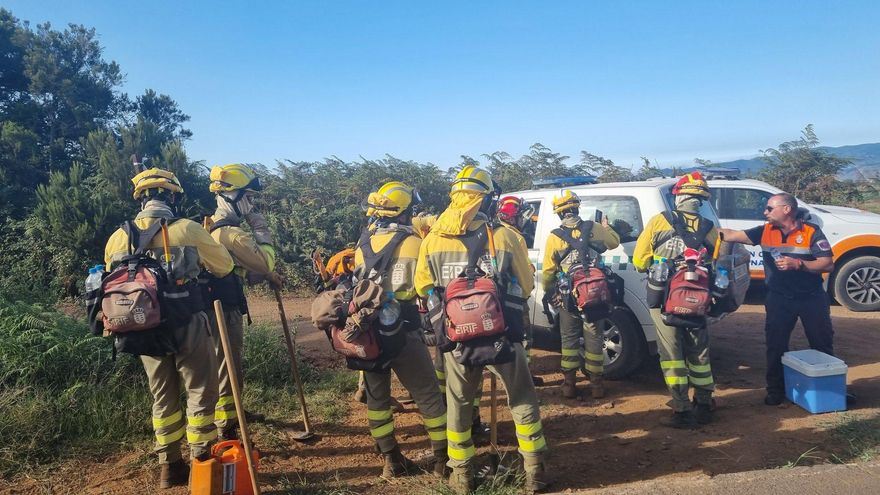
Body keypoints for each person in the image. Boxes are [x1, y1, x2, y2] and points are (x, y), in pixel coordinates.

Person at [415, 166, 549, 494]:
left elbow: (422, 287)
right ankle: (534, 471)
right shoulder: (504, 236)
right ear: (485, 199)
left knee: (459, 404)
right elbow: (527, 284)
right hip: (503, 335)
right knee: (521, 397)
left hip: (457, 339)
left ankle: (462, 475)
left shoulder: (431, 239)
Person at [104, 167, 234, 489]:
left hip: (143, 325)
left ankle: (170, 466)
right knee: (200, 391)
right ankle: (202, 461)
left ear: (140, 199)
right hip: (186, 319)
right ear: (173, 197)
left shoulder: (117, 237)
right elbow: (224, 267)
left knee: (162, 395)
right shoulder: (187, 229)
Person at [354, 181, 448, 478]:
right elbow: (426, 284)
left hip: (369, 334)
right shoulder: (415, 244)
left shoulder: (362, 245)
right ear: (404, 213)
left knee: (377, 401)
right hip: (404, 329)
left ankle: (391, 461)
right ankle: (441, 461)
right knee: (428, 394)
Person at [718, 192, 835, 406]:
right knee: (775, 345)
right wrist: (699, 228)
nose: (765, 212)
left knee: (821, 343)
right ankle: (775, 390)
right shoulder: (765, 231)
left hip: (811, 298)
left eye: (770, 208)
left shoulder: (811, 232)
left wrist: (799, 264)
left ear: (787, 209)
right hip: (779, 299)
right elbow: (731, 235)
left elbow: (827, 263)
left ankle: (828, 390)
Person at [632, 172, 719, 428]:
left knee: (671, 354)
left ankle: (681, 409)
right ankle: (704, 403)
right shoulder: (709, 227)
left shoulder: (660, 221)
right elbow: (717, 259)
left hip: (665, 300)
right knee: (699, 352)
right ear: (700, 200)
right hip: (698, 300)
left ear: (678, 197)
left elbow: (639, 261)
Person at [204, 163, 280, 439]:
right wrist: (260, 227)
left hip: (221, 303)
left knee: (228, 363)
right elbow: (265, 261)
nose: (252, 204)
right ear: (231, 196)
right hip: (224, 308)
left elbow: (239, 269)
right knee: (228, 366)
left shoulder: (213, 227)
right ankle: (227, 426)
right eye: (248, 197)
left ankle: (234, 411)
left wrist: (260, 275)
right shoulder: (231, 234)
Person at [541, 190, 620, 399]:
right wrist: (606, 227)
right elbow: (614, 242)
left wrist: (549, 291)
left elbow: (548, 271)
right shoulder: (594, 228)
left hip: (568, 296)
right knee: (594, 337)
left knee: (569, 338)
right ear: (577, 208)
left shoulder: (554, 237)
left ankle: (569, 385)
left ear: (560, 213)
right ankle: (597, 386)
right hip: (594, 295)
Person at [497, 195, 544, 387]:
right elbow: (523, 271)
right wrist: (526, 290)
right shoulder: (515, 237)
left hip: (494, 299)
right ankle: (524, 379)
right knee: (523, 338)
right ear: (513, 216)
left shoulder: (492, 232)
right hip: (514, 299)